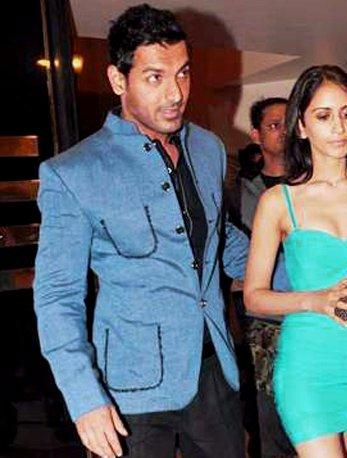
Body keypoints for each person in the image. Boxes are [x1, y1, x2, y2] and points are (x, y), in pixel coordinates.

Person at [33, 4, 248, 458]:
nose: (176, 93)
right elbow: (57, 297)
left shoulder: (208, 148)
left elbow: (221, 240)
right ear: (118, 80)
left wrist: (305, 278)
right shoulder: (73, 173)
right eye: (155, 77)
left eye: (183, 73)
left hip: (214, 374)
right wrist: (83, 397)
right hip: (130, 392)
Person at [244, 65, 347, 458]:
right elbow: (254, 297)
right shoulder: (278, 201)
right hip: (308, 367)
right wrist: (316, 300)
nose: (339, 128)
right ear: (301, 126)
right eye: (323, 116)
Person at [229, 97, 295, 457]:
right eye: (274, 125)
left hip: (316, 314)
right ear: (256, 134)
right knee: (269, 418)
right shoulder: (239, 193)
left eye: (289, 122)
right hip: (263, 320)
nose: (284, 131)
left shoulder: (316, 183)